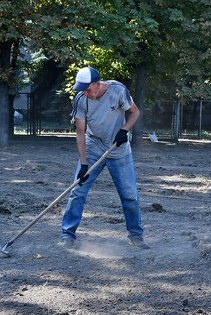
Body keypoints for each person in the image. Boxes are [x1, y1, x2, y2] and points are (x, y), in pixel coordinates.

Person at [59, 66, 148, 248]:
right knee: (77, 192)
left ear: (97, 84)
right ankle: (67, 234)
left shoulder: (118, 91)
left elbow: (135, 112)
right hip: (93, 149)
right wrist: (84, 164)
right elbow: (80, 134)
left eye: (88, 88)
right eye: (81, 89)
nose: (85, 92)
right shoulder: (81, 100)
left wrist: (124, 130)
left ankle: (136, 235)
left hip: (119, 151)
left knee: (130, 195)